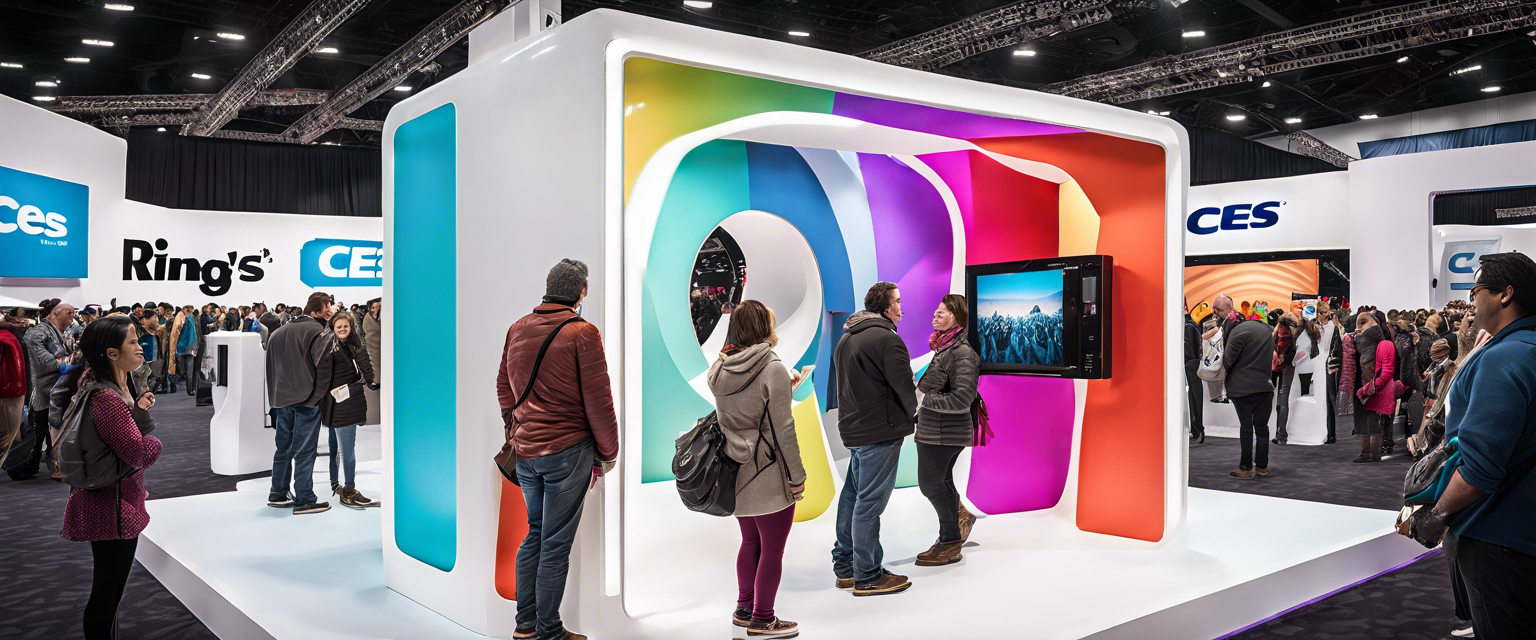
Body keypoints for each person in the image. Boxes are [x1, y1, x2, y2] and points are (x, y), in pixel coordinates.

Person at [1401, 252, 1536, 639]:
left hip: (1499, 536)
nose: (1471, 301)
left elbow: (1481, 467)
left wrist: (1437, 513)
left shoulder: (1507, 357)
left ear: (1505, 294)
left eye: (1475, 290)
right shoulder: (1521, 347)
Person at [496, 259, 618, 640]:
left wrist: (514, 427)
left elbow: (503, 387)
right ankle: (549, 631)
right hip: (568, 452)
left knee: (535, 533)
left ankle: (525, 625)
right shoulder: (583, 332)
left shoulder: (518, 327)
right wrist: (609, 450)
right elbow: (599, 401)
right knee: (555, 544)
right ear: (581, 291)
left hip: (527, 452)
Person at [707, 300, 806, 639]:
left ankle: (744, 608)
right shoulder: (772, 368)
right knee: (773, 550)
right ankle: (763, 619)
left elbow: (744, 411)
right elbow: (784, 429)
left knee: (750, 541)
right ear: (763, 328)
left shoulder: (721, 368)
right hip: (767, 472)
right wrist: (797, 477)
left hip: (734, 470)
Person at [61, 314, 162, 640]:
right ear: (112, 353)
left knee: (109, 593)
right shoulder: (107, 398)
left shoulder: (105, 389)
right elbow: (139, 454)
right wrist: (154, 439)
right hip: (112, 507)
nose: (140, 346)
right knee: (107, 594)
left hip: (111, 500)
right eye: (132, 341)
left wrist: (138, 413)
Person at [831, 281, 918, 596]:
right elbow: (904, 387)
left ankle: (845, 568)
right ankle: (867, 575)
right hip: (880, 431)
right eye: (897, 302)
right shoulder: (887, 339)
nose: (900, 308)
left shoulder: (847, 338)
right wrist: (915, 414)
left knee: (853, 496)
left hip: (853, 430)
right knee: (869, 503)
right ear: (885, 306)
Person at [915, 294, 980, 567]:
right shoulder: (945, 348)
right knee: (941, 483)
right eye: (936, 311)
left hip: (945, 433)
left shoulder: (963, 353)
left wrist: (923, 399)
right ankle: (954, 531)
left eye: (942, 312)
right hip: (934, 429)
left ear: (957, 316)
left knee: (931, 484)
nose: (935, 316)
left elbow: (962, 399)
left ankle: (950, 542)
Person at [265, 291, 335, 515]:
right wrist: (316, 398)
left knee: (283, 449)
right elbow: (324, 370)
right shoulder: (318, 332)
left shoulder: (277, 333)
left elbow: (270, 369)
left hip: (280, 400)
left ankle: (278, 493)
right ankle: (304, 499)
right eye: (328, 305)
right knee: (305, 451)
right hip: (306, 400)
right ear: (322, 306)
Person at [315, 311, 379, 508]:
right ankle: (345, 488)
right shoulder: (327, 346)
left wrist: (370, 381)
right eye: (339, 326)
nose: (343, 329)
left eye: (346, 326)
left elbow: (364, 362)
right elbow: (320, 373)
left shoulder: (354, 343)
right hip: (334, 402)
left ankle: (342, 487)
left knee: (343, 447)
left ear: (351, 327)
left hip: (346, 400)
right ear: (333, 328)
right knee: (342, 448)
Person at [1214, 294, 1275, 478]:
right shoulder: (1267, 330)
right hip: (1265, 387)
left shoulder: (1237, 332)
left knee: (1247, 427)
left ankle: (1246, 468)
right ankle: (1262, 467)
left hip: (1242, 388)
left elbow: (1228, 360)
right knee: (1262, 428)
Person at [18, 299, 75, 480]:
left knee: (51, 428)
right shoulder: (38, 332)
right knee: (46, 429)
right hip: (45, 390)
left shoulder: (55, 332)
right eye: (69, 313)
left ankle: (45, 462)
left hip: (56, 389)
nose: (73, 318)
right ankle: (48, 462)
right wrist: (75, 362)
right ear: (55, 313)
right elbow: (48, 362)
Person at [1347, 311, 1395, 463]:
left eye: (1362, 323)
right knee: (1367, 416)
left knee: (1369, 416)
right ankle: (1369, 452)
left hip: (1371, 383)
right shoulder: (1377, 334)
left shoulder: (1368, 336)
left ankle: (1371, 452)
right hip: (1367, 381)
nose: (1358, 327)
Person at [1270, 313, 1299, 445]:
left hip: (1277, 366)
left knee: (1280, 402)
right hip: (1288, 367)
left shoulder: (1279, 332)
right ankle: (1281, 434)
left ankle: (1281, 434)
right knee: (1283, 401)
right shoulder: (1295, 333)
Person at [1320, 302, 1343, 444]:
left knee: (1329, 400)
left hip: (1328, 367)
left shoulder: (1333, 328)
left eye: (1326, 312)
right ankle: (1323, 432)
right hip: (1317, 366)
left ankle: (1331, 433)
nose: (1325, 314)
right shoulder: (1312, 326)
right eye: (1322, 312)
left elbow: (1336, 349)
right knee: (1322, 399)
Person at [1184, 300, 1204, 444]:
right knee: (1192, 398)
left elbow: (1195, 348)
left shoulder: (1189, 325)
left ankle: (1197, 429)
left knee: (1194, 398)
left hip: (1191, 364)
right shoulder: (1190, 324)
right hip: (1189, 364)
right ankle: (1196, 429)